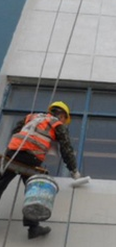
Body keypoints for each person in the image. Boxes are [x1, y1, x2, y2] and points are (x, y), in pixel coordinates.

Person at [0, 101, 81, 239]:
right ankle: (33, 228)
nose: (63, 121)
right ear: (62, 115)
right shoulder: (57, 124)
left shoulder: (31, 117)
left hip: (12, 153)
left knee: (1, 183)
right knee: (35, 190)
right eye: (64, 119)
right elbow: (66, 148)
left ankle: (33, 227)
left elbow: (16, 132)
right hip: (31, 158)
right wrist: (73, 170)